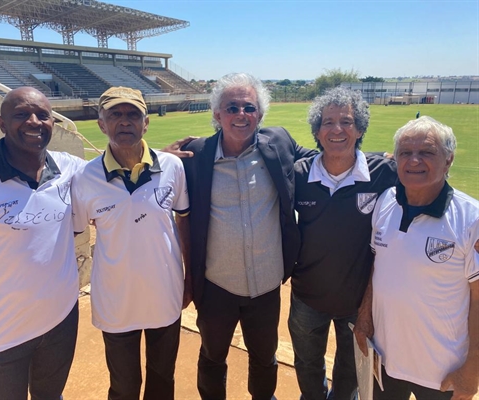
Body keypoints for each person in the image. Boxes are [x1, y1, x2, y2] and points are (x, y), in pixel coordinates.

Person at [180, 72, 316, 400]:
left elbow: (326, 161)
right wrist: (156, 150)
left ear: (260, 114)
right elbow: (152, 169)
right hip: (216, 285)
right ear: (217, 115)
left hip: (267, 284)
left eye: (249, 108)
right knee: (213, 357)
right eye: (232, 107)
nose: (241, 115)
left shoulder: (279, 143)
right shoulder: (196, 155)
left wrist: (377, 161)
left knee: (265, 359)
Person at [0, 87, 85, 399]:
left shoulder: (71, 169)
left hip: (60, 320)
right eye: (21, 114)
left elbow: (115, 171)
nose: (34, 121)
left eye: (43, 115)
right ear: (1, 123)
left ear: (53, 122)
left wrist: (165, 156)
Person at [71, 86, 191, 400]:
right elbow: (70, 231)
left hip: (164, 294)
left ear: (146, 122)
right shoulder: (85, 178)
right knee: (123, 386)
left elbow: (184, 220)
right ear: (101, 123)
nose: (124, 122)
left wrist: (188, 278)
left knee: (162, 381)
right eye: (115, 115)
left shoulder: (172, 167)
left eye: (132, 114)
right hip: (114, 299)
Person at [354, 116, 479, 400]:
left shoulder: (472, 218)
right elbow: (379, 268)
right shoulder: (386, 201)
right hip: (385, 360)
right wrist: (363, 319)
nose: (414, 161)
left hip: (442, 372)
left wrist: (473, 369)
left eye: (426, 152)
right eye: (405, 153)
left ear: (448, 160)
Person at [288, 87, 397, 400]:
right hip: (307, 296)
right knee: (307, 366)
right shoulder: (298, 174)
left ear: (359, 129)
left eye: (346, 122)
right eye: (328, 122)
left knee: (349, 374)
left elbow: (428, 187)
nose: (337, 129)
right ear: (318, 132)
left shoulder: (384, 172)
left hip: (359, 302)